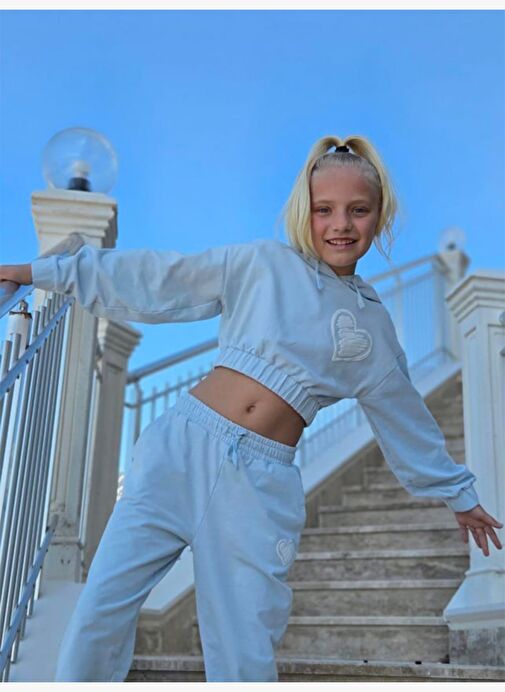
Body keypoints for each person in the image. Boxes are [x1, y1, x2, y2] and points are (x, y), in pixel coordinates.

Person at [1, 134, 502, 682]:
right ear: (303, 212)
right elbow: (161, 277)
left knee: (244, 649)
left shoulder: (372, 327)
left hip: (259, 486)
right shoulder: (264, 263)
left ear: (379, 217)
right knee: (100, 610)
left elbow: (405, 419)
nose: (340, 224)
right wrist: (38, 273)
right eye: (324, 210)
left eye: (358, 210)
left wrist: (458, 493)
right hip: (179, 450)